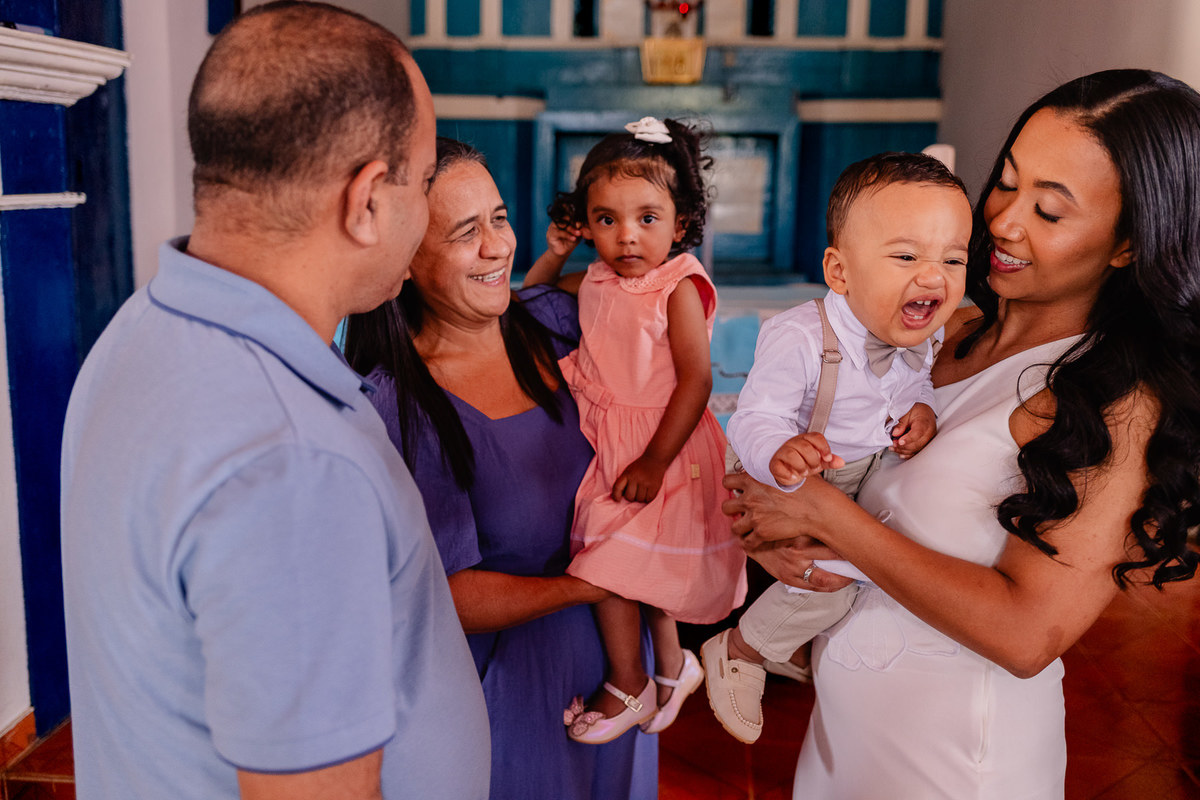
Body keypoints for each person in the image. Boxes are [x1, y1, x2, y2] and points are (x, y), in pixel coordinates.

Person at [723, 68, 1200, 798]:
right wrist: (778, 530)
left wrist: (829, 518)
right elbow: (857, 487)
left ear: (1127, 244)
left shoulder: (1107, 401)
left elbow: (1025, 634)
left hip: (953, 759)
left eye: (1049, 210)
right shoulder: (939, 329)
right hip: (848, 727)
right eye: (1006, 183)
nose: (1003, 222)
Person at [59, 4, 489, 799]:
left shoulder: (143, 327)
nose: (426, 209)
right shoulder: (290, 462)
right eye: (424, 181)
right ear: (365, 201)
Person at [343, 138, 658, 800]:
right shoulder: (401, 404)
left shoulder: (556, 323)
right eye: (465, 232)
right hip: (508, 690)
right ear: (405, 261)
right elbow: (443, 594)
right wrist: (593, 584)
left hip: (618, 672)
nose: (496, 247)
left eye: (499, 218)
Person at [702, 152, 971, 744]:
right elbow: (754, 418)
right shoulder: (799, 335)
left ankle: (784, 639)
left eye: (953, 259)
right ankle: (739, 649)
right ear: (839, 271)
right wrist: (782, 452)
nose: (934, 277)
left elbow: (914, 382)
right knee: (832, 579)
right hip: (779, 470)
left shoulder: (926, 335)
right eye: (906, 256)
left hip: (854, 471)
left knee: (862, 565)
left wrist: (922, 408)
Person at [525, 116, 748, 744]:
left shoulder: (675, 286)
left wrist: (653, 461)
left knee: (611, 561)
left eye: (647, 219)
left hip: (666, 444)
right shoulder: (594, 278)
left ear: (679, 225)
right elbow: (531, 303)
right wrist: (555, 253)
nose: (626, 237)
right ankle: (673, 669)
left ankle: (630, 684)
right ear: (586, 221)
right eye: (605, 219)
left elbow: (695, 382)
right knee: (637, 566)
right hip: (613, 440)